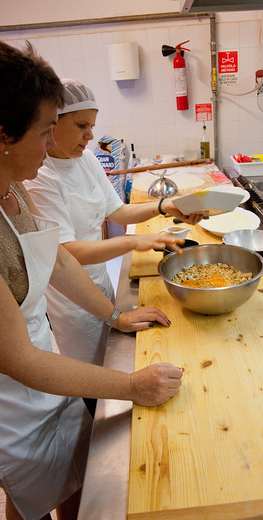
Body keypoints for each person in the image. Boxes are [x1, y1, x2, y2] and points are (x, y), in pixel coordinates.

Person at [0, 40, 182, 520]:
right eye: (42, 132)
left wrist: (114, 314)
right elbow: (19, 362)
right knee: (25, 487)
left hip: (37, 358)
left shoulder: (14, 188)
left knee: (65, 462)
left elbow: (55, 259)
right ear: (2, 136)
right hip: (10, 387)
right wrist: (130, 386)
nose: (48, 146)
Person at [26, 78, 204, 369]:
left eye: (92, 126)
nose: (90, 136)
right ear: (52, 123)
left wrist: (165, 206)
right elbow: (65, 253)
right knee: (92, 370)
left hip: (100, 282)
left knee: (113, 355)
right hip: (72, 299)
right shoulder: (40, 177)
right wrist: (134, 241)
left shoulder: (85, 159)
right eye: (82, 126)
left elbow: (117, 211)